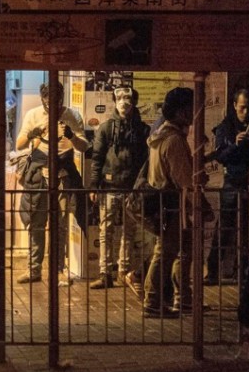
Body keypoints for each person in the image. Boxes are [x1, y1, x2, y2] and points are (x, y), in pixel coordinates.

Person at [15, 81, 89, 284]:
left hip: (64, 175)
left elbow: (84, 147)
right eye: (48, 104)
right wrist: (33, 134)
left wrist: (72, 136)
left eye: (56, 102)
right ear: (42, 100)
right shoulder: (33, 115)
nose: (52, 108)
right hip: (39, 174)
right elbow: (20, 144)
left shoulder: (72, 116)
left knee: (61, 224)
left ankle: (57, 270)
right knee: (36, 223)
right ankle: (34, 269)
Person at [142, 87, 207, 318]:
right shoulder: (174, 141)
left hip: (167, 204)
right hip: (173, 206)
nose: (195, 113)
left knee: (181, 251)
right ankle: (153, 301)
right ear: (181, 113)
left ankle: (182, 298)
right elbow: (184, 179)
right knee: (167, 253)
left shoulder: (161, 136)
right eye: (191, 109)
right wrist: (200, 204)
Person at [88, 86, 150, 292]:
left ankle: (123, 272)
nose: (124, 102)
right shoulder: (106, 129)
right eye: (120, 97)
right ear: (114, 100)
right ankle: (105, 273)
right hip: (109, 187)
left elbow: (146, 160)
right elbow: (96, 159)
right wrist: (94, 186)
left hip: (131, 188)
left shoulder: (142, 130)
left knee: (129, 232)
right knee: (106, 231)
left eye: (128, 98)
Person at [206, 88, 249, 284]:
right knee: (225, 227)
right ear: (235, 106)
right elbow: (222, 156)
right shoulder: (226, 127)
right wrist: (236, 144)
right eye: (242, 108)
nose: (246, 112)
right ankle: (213, 270)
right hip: (233, 182)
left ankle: (245, 271)